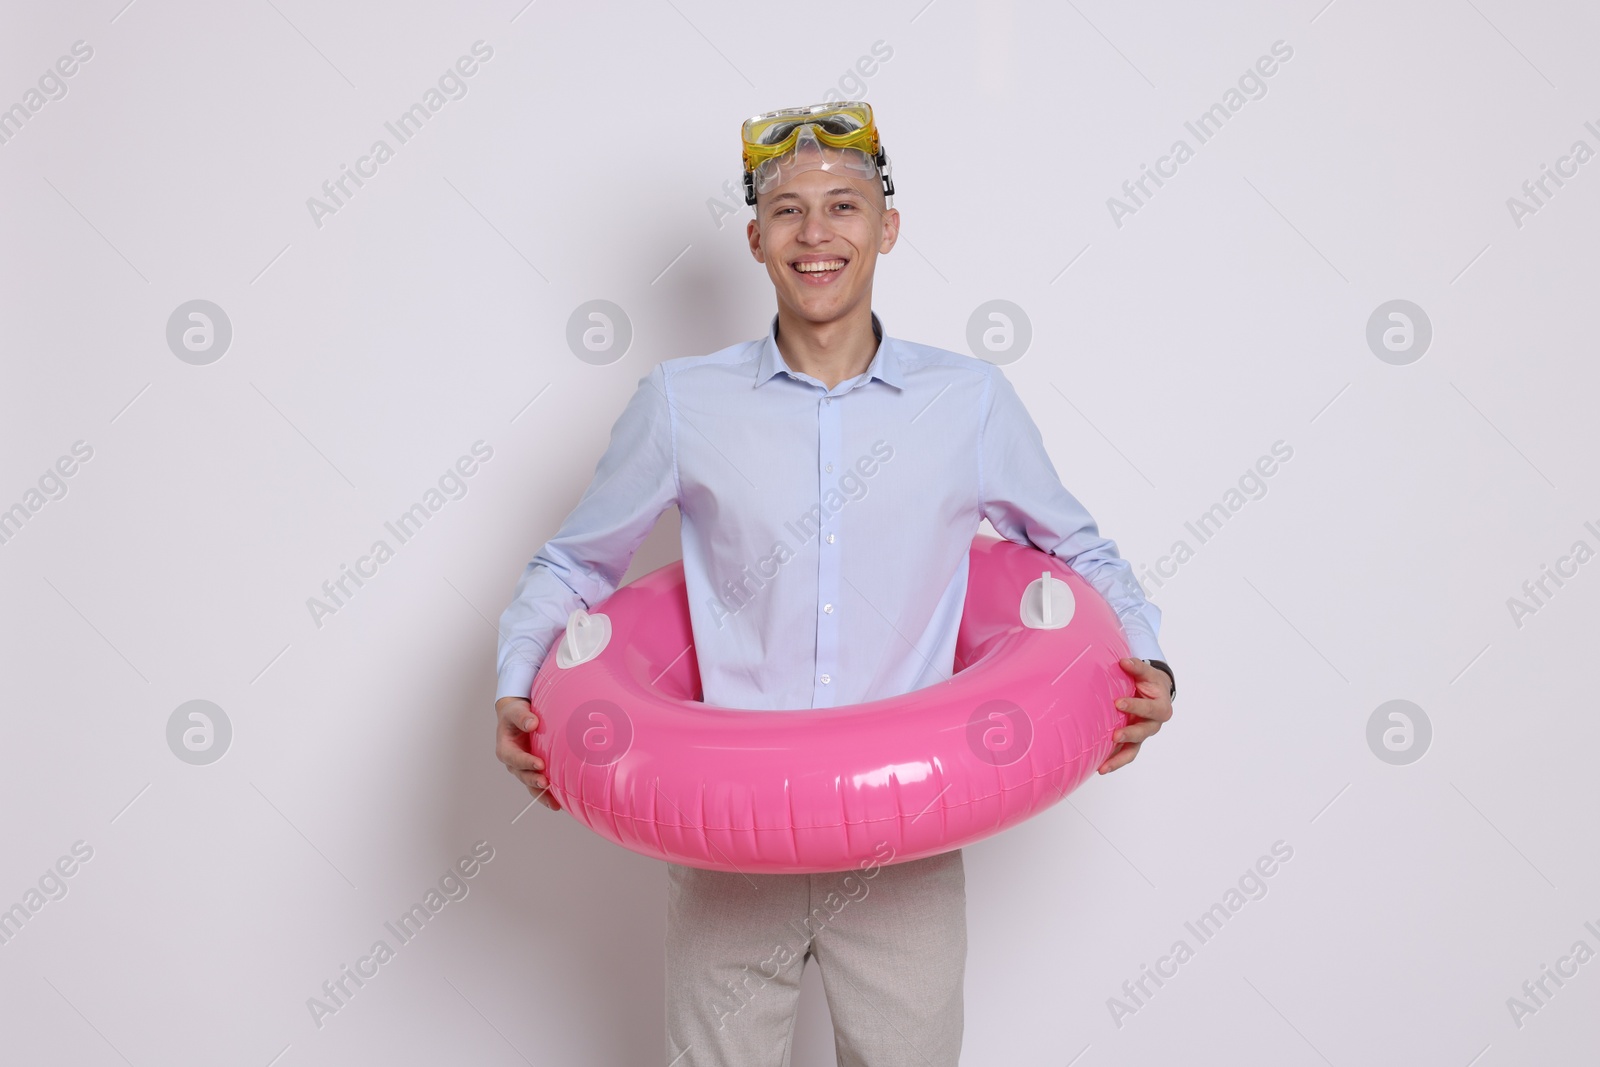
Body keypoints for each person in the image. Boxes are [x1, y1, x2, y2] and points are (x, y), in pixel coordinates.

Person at [493, 101, 1176, 1067]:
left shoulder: (966, 404)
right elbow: (575, 562)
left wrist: (1146, 660)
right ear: (756, 239)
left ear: (885, 228)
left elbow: (1081, 553)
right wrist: (519, 684)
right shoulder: (684, 403)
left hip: (909, 840)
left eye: (844, 206)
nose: (817, 233)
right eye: (788, 211)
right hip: (728, 838)